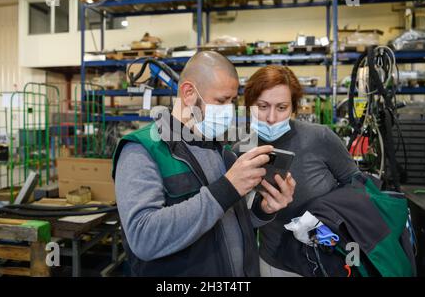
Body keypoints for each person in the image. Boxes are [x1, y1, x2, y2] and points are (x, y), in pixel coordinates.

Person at [113, 52, 296, 276]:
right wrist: (226, 188)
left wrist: (262, 210)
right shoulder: (142, 149)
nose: (228, 110)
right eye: (221, 101)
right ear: (189, 93)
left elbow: (228, 221)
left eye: (231, 101)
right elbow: (143, 237)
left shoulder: (220, 149)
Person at [233, 65, 360, 277]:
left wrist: (324, 215)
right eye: (262, 106)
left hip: (326, 258)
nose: (271, 117)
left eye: (281, 107)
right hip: (276, 264)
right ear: (249, 106)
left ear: (294, 108)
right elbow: (244, 219)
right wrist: (266, 209)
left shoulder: (320, 138)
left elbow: (356, 187)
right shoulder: (242, 151)